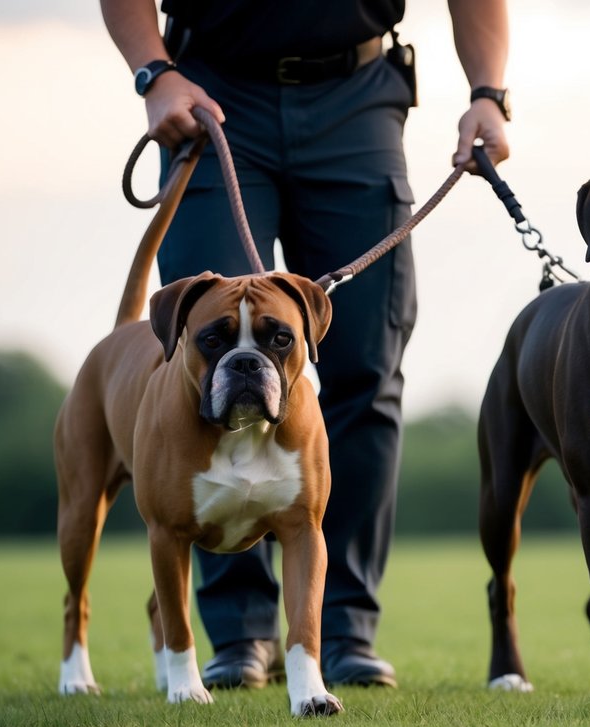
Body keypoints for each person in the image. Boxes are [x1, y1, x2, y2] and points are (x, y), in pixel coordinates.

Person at [100, 0, 511, 689]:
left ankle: (341, 628)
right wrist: (154, 73)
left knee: (365, 370)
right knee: (202, 366)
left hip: (358, 95)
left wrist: (487, 93)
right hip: (209, 90)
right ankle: (238, 633)